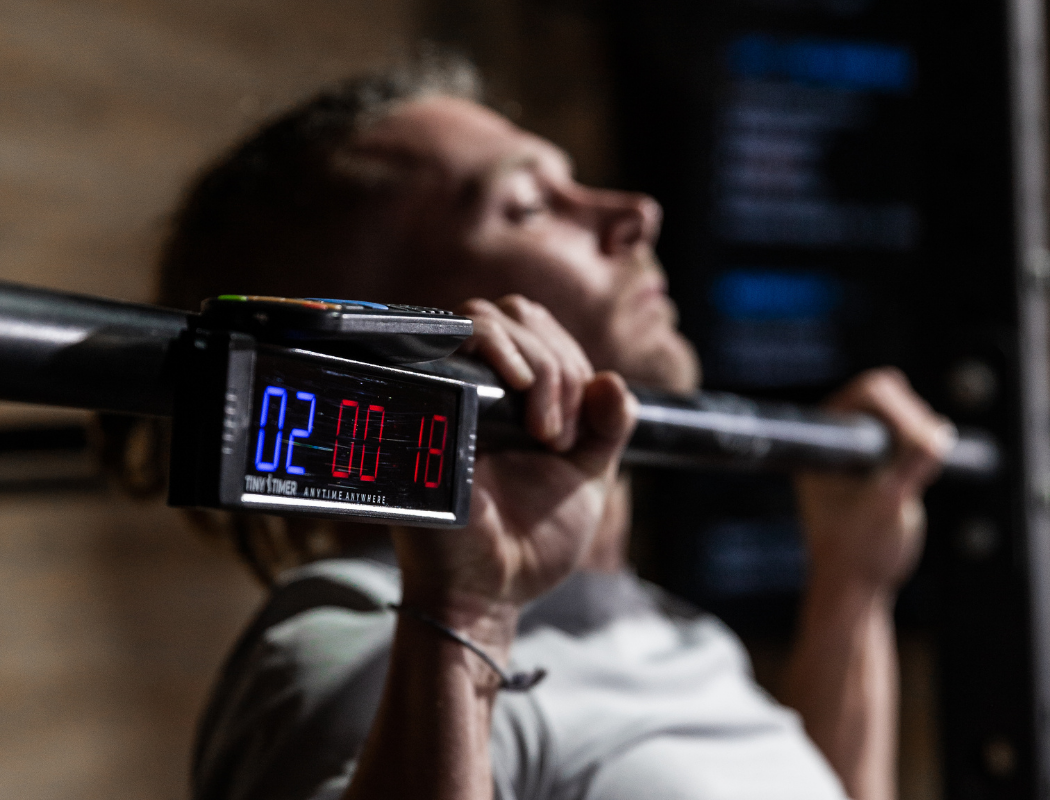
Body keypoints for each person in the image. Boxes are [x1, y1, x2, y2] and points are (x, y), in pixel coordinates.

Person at [162, 58, 955, 800]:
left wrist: (850, 587)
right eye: (533, 205)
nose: (633, 213)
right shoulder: (353, 655)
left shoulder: (667, 627)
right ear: (402, 331)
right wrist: (466, 612)